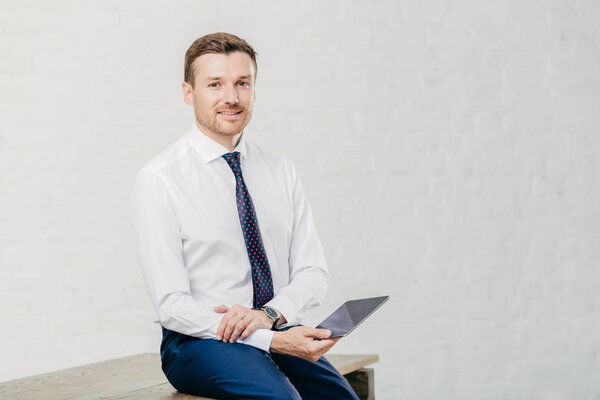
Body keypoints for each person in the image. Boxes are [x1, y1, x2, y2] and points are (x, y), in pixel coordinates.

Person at [130, 32, 359, 400]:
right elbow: (172, 306)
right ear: (189, 93)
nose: (231, 98)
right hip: (198, 341)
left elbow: (312, 272)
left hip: (275, 325)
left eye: (242, 83)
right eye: (215, 84)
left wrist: (270, 316)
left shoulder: (279, 170)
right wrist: (269, 338)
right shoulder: (160, 179)